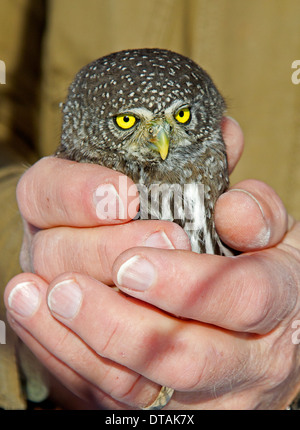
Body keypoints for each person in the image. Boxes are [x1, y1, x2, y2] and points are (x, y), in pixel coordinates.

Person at [1, 0, 300, 410]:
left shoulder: (208, 154)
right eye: (129, 121)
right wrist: (27, 249)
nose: (161, 142)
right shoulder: (91, 158)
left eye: (180, 119)